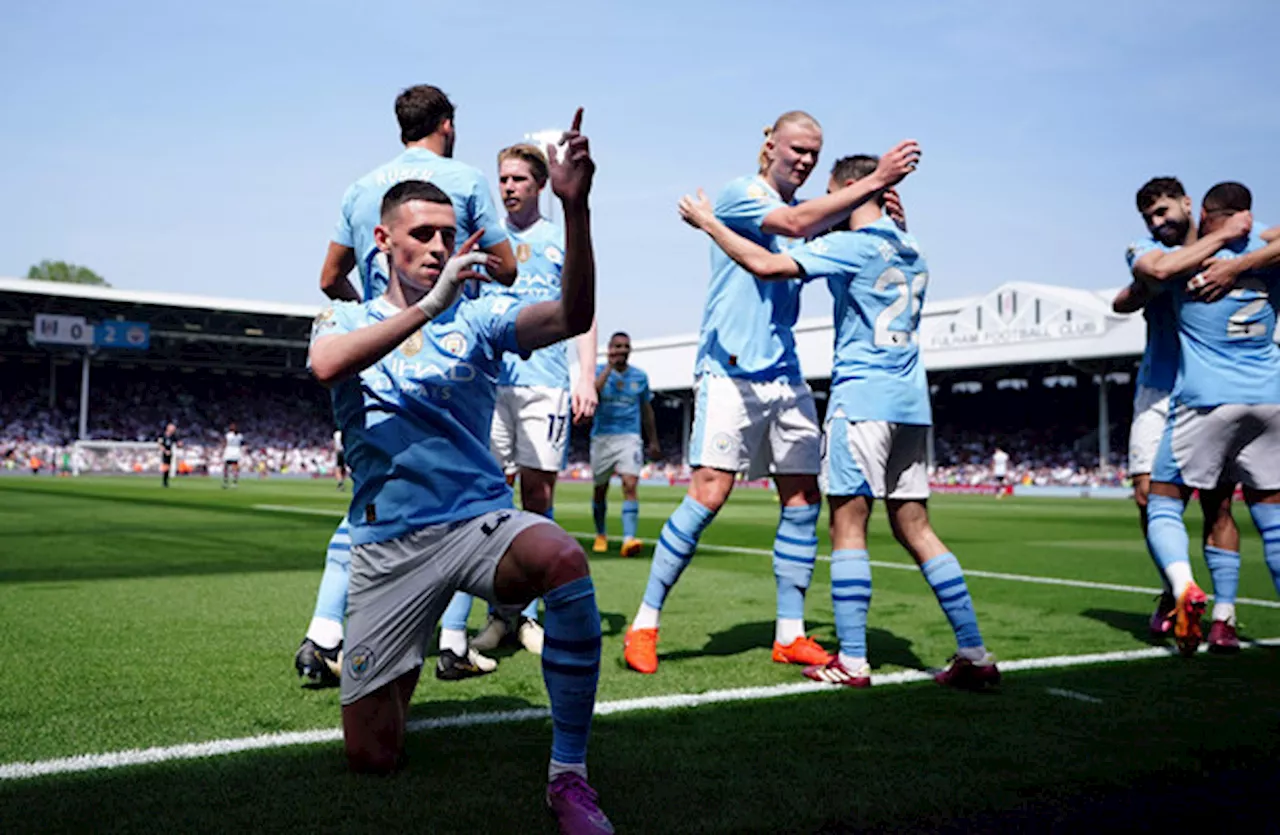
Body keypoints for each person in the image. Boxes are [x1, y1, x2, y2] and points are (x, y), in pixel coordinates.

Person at [308, 109, 609, 833]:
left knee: (562, 557)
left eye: (448, 235)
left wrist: (576, 209)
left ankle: (569, 774)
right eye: (423, 235)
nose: (440, 246)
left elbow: (571, 315)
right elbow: (325, 368)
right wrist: (427, 308)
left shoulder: (477, 317)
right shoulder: (340, 321)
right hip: (386, 547)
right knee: (372, 756)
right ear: (382, 241)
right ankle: (399, 658)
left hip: (476, 522)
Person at [678, 153, 998, 690]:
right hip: (911, 405)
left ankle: (852, 660)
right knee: (916, 528)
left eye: (835, 195)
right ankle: (975, 651)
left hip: (861, 400)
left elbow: (768, 265)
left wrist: (710, 224)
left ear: (851, 190)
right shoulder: (913, 246)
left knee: (848, 525)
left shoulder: (851, 244)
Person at [624, 110, 920, 675]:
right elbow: (791, 224)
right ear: (769, 143)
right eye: (798, 149)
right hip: (730, 370)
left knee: (803, 499)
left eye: (815, 152)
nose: (806, 160)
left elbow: (838, 241)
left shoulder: (815, 217)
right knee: (708, 495)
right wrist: (874, 180)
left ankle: (790, 633)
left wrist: (885, 221)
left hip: (785, 372)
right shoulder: (743, 194)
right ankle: (645, 622)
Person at [296, 84, 518, 685]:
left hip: (376, 354)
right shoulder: (465, 180)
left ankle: (324, 633)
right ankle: (451, 639)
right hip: (447, 357)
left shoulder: (360, 188)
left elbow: (328, 277)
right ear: (447, 124)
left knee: (373, 501)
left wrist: (373, 320)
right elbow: (507, 268)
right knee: (469, 499)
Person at [438, 143, 601, 670]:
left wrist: (585, 376)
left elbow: (586, 310)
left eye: (519, 179)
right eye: (502, 178)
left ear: (539, 185)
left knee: (537, 499)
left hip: (544, 384)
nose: (507, 187)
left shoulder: (557, 239)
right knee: (485, 499)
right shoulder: (486, 241)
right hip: (489, 385)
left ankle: (527, 613)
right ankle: (494, 615)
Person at [1113, 176, 1253, 649]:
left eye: (1164, 210)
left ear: (1188, 203)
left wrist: (1239, 262)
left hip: (1211, 390)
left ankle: (1225, 618)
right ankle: (1177, 591)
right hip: (1157, 389)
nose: (1158, 221)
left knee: (1218, 503)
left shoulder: (1239, 249)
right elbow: (1151, 275)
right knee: (1147, 499)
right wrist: (1222, 243)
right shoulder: (1148, 248)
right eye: (1150, 216)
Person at [1142, 181, 1280, 656]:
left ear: (1200, 209)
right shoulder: (1267, 242)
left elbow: (1157, 270)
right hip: (1270, 398)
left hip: (1207, 399)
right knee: (1273, 520)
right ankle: (1224, 617)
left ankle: (1183, 589)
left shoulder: (1186, 256)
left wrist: (1226, 261)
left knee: (1163, 501)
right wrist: (1243, 254)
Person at [590, 331, 662, 556]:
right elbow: (593, 394)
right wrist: (609, 367)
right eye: (617, 346)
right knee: (600, 489)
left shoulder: (640, 377)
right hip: (602, 436)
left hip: (629, 436)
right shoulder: (599, 371)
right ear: (610, 349)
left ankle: (629, 539)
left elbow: (646, 410)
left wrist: (653, 440)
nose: (621, 350)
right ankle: (601, 534)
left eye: (625, 346)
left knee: (630, 485)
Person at [222, 422, 243, 489]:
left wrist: (223, 450)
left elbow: (225, 443)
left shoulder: (228, 435)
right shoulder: (240, 435)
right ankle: (234, 483)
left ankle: (226, 482)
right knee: (235, 468)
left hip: (229, 451)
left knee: (226, 467)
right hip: (236, 451)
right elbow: (241, 443)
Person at [158, 423, 177, 488]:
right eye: (173, 428)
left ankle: (165, 481)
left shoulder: (173, 436)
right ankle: (164, 481)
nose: (174, 429)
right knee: (165, 467)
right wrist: (165, 451)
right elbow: (160, 444)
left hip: (170, 453)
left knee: (168, 467)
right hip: (164, 453)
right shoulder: (162, 435)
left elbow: (177, 443)